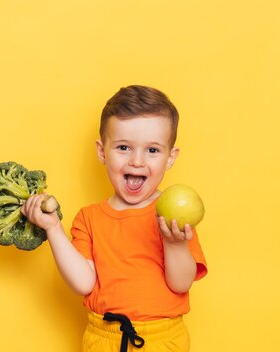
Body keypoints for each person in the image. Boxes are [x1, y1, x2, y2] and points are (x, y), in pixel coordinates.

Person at [21, 85, 208, 352]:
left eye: (152, 151)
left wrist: (175, 243)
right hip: (103, 339)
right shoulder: (88, 218)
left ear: (170, 158)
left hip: (162, 340)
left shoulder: (172, 215)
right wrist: (53, 228)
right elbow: (83, 282)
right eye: (123, 147)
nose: (137, 161)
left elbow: (180, 284)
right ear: (102, 151)